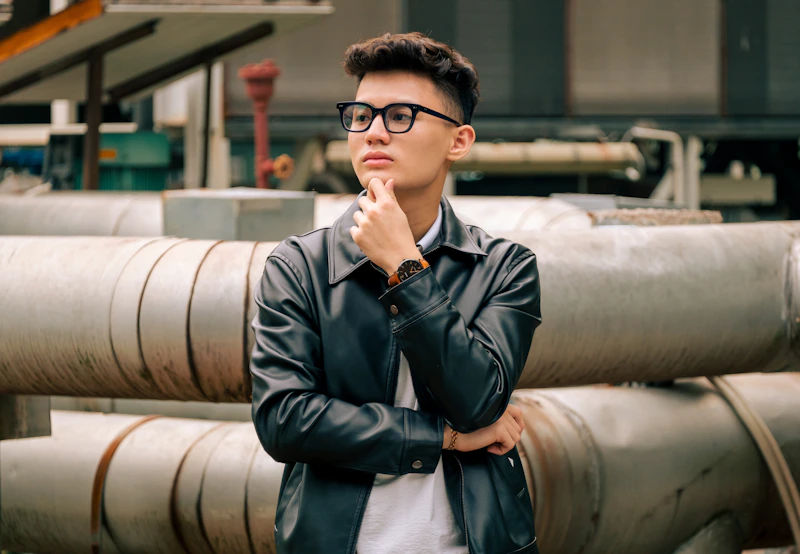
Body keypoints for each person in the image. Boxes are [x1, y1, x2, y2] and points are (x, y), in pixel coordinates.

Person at [250, 32, 542, 554]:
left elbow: (478, 403)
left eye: (401, 116)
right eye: (361, 116)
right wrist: (442, 439)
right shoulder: (299, 266)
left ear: (459, 141)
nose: (374, 133)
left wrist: (405, 268)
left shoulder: (504, 267)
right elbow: (285, 421)